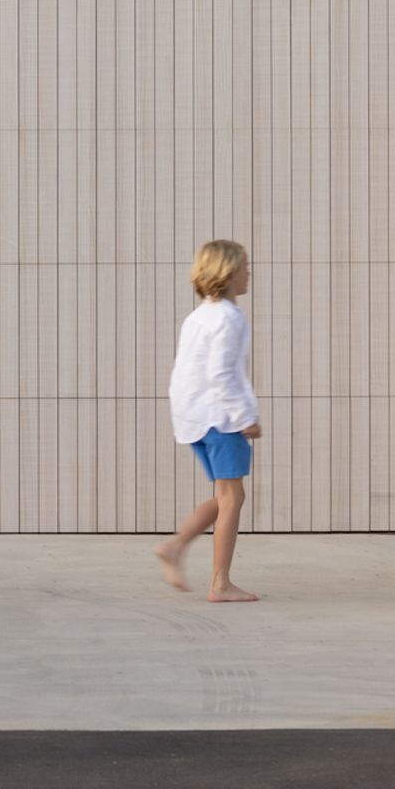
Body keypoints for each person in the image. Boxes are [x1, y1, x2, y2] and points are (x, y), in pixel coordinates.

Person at [156, 238, 263, 603]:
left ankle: (176, 547)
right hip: (219, 416)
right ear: (229, 272)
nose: (250, 273)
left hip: (192, 415)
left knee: (225, 495)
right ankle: (220, 584)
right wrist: (244, 416)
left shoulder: (199, 315)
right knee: (232, 497)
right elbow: (222, 374)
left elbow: (186, 370)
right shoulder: (229, 318)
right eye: (245, 267)